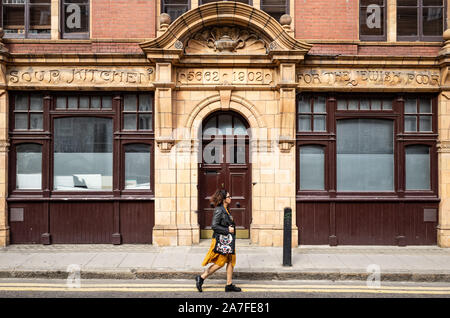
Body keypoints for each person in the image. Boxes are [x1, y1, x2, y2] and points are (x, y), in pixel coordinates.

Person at [195, 189, 241, 292]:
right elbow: (214, 226)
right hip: (220, 240)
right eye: (229, 197)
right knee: (220, 263)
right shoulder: (219, 210)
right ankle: (201, 277)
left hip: (228, 240)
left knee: (231, 261)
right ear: (224, 199)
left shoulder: (226, 209)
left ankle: (229, 285)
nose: (230, 198)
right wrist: (227, 229)